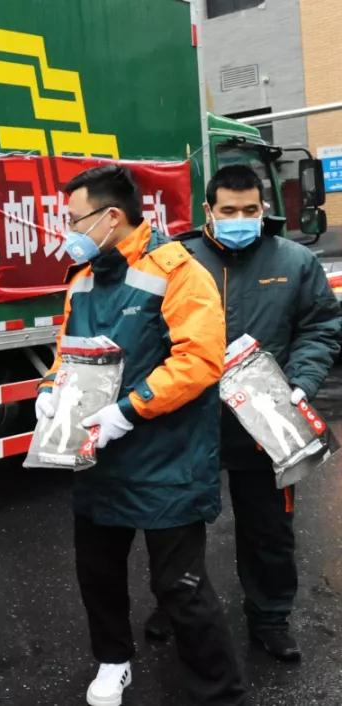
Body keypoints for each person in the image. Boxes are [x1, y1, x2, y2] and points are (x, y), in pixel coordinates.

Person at [36, 165, 246, 705]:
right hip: (98, 458)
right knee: (97, 574)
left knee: (180, 587)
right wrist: (51, 388)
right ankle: (113, 661)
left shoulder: (177, 271)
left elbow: (199, 360)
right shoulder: (84, 279)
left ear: (111, 217)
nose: (68, 230)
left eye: (74, 219)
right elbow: (68, 352)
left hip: (167, 459)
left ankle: (219, 692)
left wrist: (128, 411)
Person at [142, 165, 341, 661]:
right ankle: (175, 603)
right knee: (176, 525)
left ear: (263, 208)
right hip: (190, 418)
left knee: (268, 528)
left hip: (266, 419)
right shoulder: (177, 260)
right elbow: (146, 330)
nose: (240, 218)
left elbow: (319, 327)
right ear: (208, 210)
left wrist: (301, 382)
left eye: (249, 209)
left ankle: (270, 617)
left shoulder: (294, 260)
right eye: (228, 210)